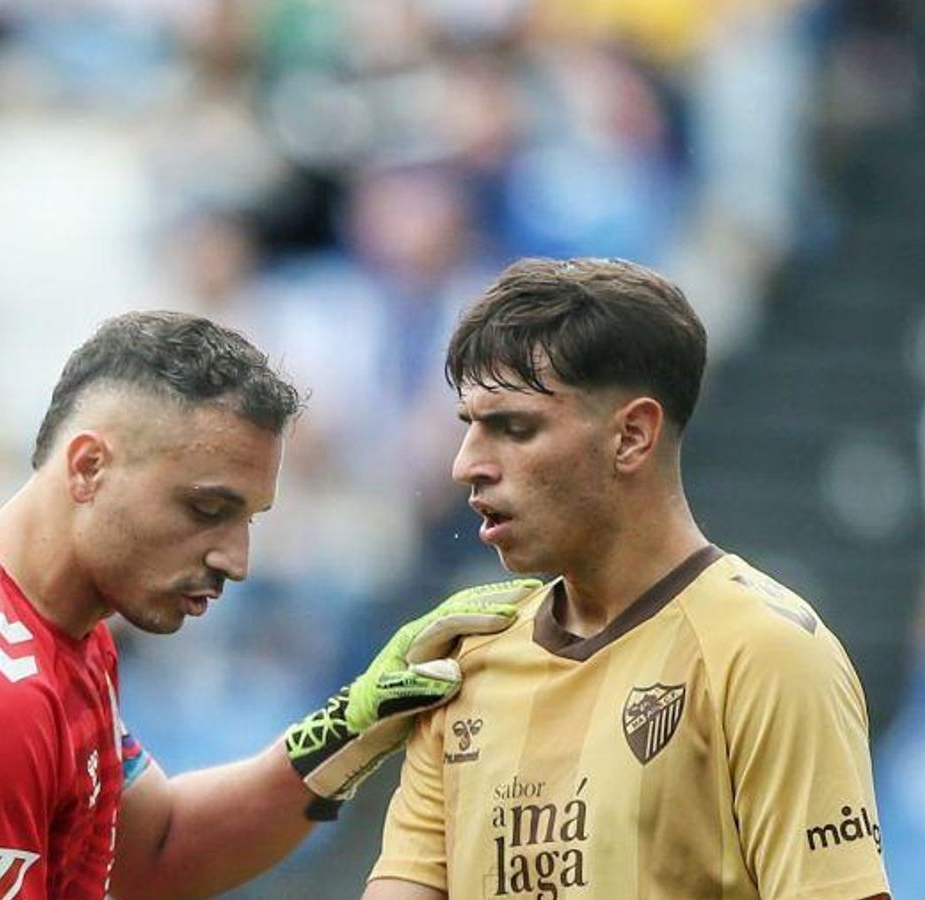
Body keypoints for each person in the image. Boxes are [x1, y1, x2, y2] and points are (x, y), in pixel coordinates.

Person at [0, 310, 537, 899]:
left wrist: (358, 721)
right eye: (206, 511)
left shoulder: (23, 606)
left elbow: (156, 847)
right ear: (90, 465)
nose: (236, 560)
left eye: (248, 520)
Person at [364, 258, 891, 900]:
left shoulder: (768, 655)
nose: (466, 464)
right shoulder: (465, 664)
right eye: (468, 426)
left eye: (513, 427)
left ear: (632, 436)